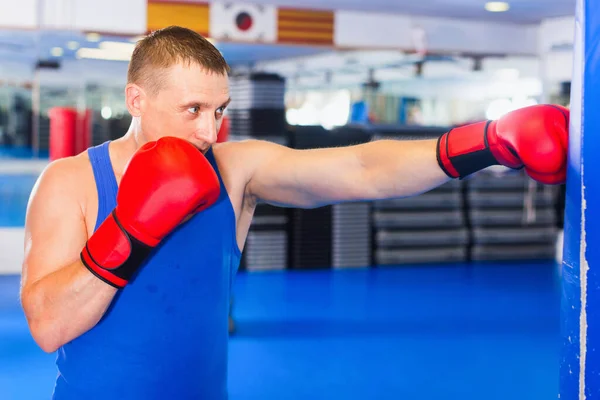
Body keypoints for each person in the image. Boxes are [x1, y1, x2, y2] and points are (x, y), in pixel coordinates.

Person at [20, 25, 569, 399]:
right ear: (137, 99)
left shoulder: (233, 171)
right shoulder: (71, 182)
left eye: (219, 111)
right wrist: (130, 229)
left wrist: (486, 142)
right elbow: (47, 326)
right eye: (192, 110)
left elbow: (361, 170)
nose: (209, 132)